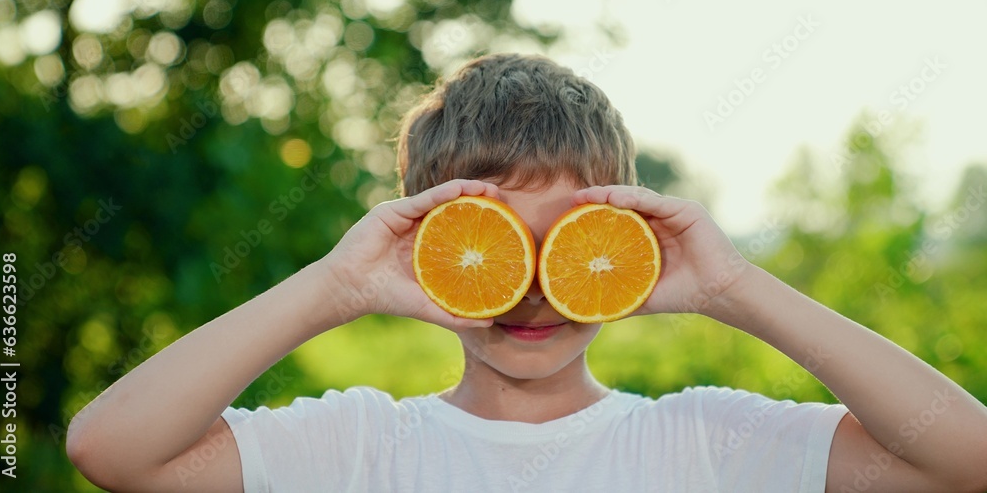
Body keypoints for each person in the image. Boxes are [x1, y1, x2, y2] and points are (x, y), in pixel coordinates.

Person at [67, 53, 987, 492]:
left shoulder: (711, 442)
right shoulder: (357, 447)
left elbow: (966, 459)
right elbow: (112, 449)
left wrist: (734, 288)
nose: (534, 287)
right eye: (492, 246)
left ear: (626, 244)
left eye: (571, 243)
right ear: (426, 245)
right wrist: (333, 287)